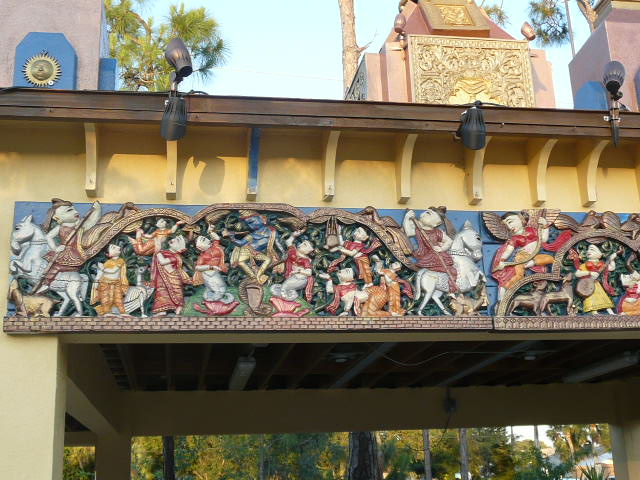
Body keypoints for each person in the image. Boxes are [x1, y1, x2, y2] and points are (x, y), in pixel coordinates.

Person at [39, 198, 102, 291]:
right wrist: (55, 248)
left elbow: (91, 222)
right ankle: (46, 283)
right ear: (57, 218)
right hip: (63, 251)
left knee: (59, 266)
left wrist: (97, 210)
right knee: (53, 266)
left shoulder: (79, 226)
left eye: (74, 209)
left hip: (74, 252)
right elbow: (48, 237)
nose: (75, 212)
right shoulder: (60, 227)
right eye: (69, 210)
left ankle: (48, 283)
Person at [491, 211, 553, 300]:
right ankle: (503, 293)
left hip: (533, 257)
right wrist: (502, 261)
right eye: (506, 225)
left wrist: (545, 226)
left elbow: (543, 239)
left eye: (510, 222)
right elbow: (508, 250)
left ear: (521, 219)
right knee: (518, 276)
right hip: (521, 258)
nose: (509, 227)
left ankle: (529, 264)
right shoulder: (514, 238)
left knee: (550, 258)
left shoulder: (532, 230)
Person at [403, 207, 457, 291]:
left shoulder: (437, 232)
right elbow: (408, 232)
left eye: (429, 214)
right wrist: (407, 218)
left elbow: (449, 241)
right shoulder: (418, 230)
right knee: (426, 265)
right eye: (426, 212)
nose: (424, 214)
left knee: (450, 269)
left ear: (435, 224)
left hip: (437, 253)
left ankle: (450, 286)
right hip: (425, 254)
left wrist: (441, 248)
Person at [223, 210, 283, 284]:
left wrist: (283, 252)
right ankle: (253, 277)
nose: (251, 226)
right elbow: (241, 243)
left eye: (251, 222)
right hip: (247, 250)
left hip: (256, 253)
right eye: (248, 224)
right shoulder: (252, 235)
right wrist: (231, 237)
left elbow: (277, 243)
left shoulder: (272, 232)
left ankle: (258, 276)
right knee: (240, 262)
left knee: (268, 260)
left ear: (262, 218)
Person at [151, 235, 191, 315]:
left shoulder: (175, 257)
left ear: (180, 248)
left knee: (177, 293)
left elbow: (163, 262)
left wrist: (158, 251)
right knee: (162, 292)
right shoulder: (164, 252)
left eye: (177, 241)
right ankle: (162, 310)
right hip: (161, 278)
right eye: (174, 238)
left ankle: (178, 307)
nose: (173, 240)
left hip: (173, 278)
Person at [575, 244, 616, 315]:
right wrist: (589, 272)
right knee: (590, 297)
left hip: (597, 284)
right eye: (588, 249)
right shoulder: (584, 265)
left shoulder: (602, 265)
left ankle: (610, 312)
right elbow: (577, 273)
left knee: (602, 297)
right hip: (588, 285)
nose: (588, 251)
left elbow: (612, 268)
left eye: (592, 249)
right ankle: (594, 313)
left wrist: (612, 260)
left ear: (600, 255)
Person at [92, 244, 128, 316]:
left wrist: (102, 268)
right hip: (105, 283)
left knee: (118, 298)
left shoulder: (120, 260)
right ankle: (107, 312)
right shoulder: (107, 262)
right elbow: (100, 273)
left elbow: (113, 271)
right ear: (108, 254)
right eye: (113, 247)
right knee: (105, 298)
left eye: (115, 246)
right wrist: (96, 282)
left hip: (116, 283)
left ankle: (122, 312)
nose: (118, 247)